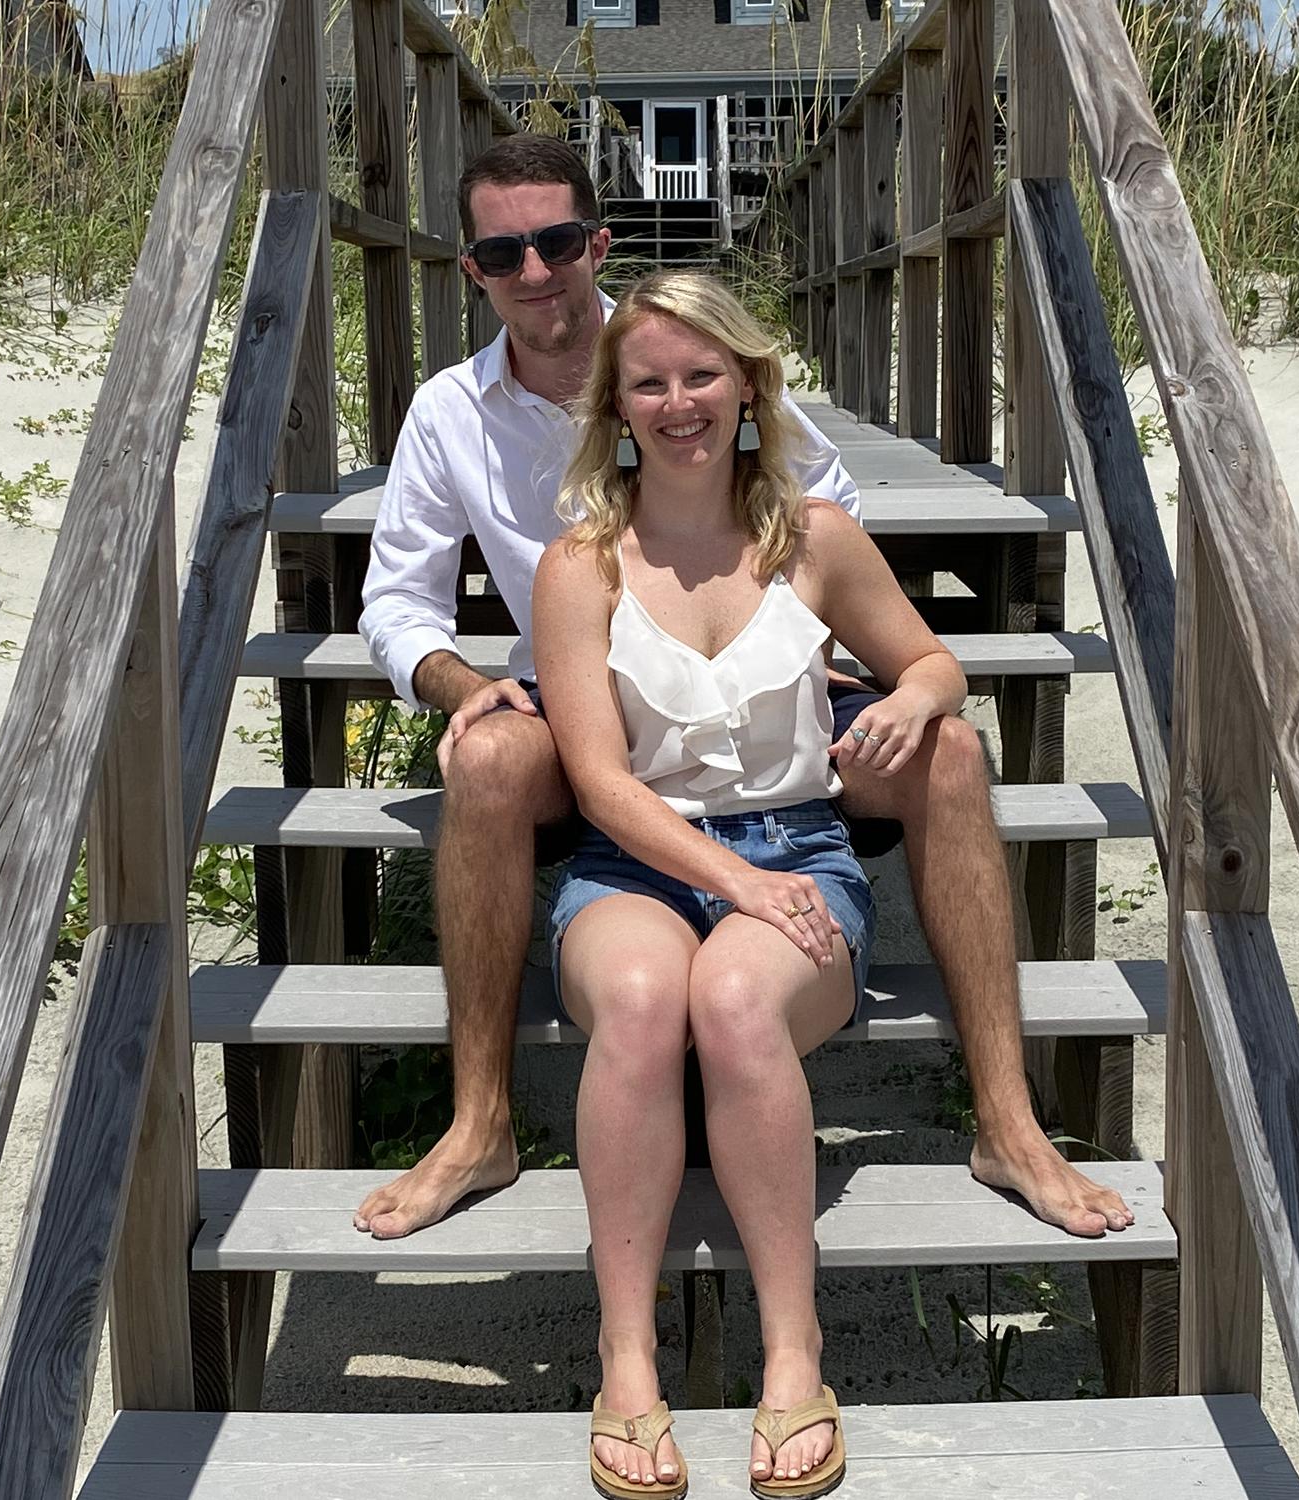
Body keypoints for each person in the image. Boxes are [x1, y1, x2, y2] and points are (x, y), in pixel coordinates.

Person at [353, 133, 1134, 1249]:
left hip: (751, 668)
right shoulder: (449, 412)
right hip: (582, 691)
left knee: (952, 753)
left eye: (557, 242)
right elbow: (397, 602)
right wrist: (461, 681)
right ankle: (479, 1120)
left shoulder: (678, 343)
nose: (535, 270)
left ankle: (1008, 1121)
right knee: (483, 756)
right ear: (471, 269)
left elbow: (826, 502)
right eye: (503, 251)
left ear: (597, 244)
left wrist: (794, 635)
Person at [531, 269, 979, 1498]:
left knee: (733, 1002)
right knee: (639, 1000)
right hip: (634, 859)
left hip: (799, 849)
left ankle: (794, 1354)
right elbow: (598, 782)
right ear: (616, 406)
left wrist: (912, 703)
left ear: (747, 384)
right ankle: (627, 1355)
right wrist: (729, 879)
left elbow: (935, 662)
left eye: (702, 375)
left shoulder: (814, 537)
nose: (679, 403)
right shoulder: (581, 565)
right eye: (649, 383)